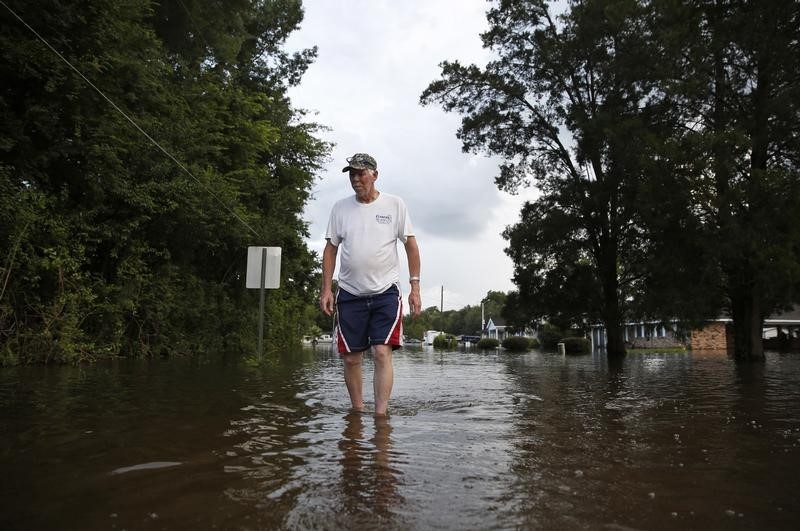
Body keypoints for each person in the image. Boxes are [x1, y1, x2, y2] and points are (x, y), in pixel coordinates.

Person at [319, 153, 421, 417]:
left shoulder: (394, 205)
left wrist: (415, 287)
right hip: (350, 293)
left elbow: (410, 245)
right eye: (352, 174)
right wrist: (327, 289)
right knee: (352, 358)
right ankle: (357, 412)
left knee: (380, 352)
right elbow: (330, 249)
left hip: (386, 291)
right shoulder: (340, 208)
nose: (355, 179)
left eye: (361, 173)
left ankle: (380, 415)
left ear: (375, 174)